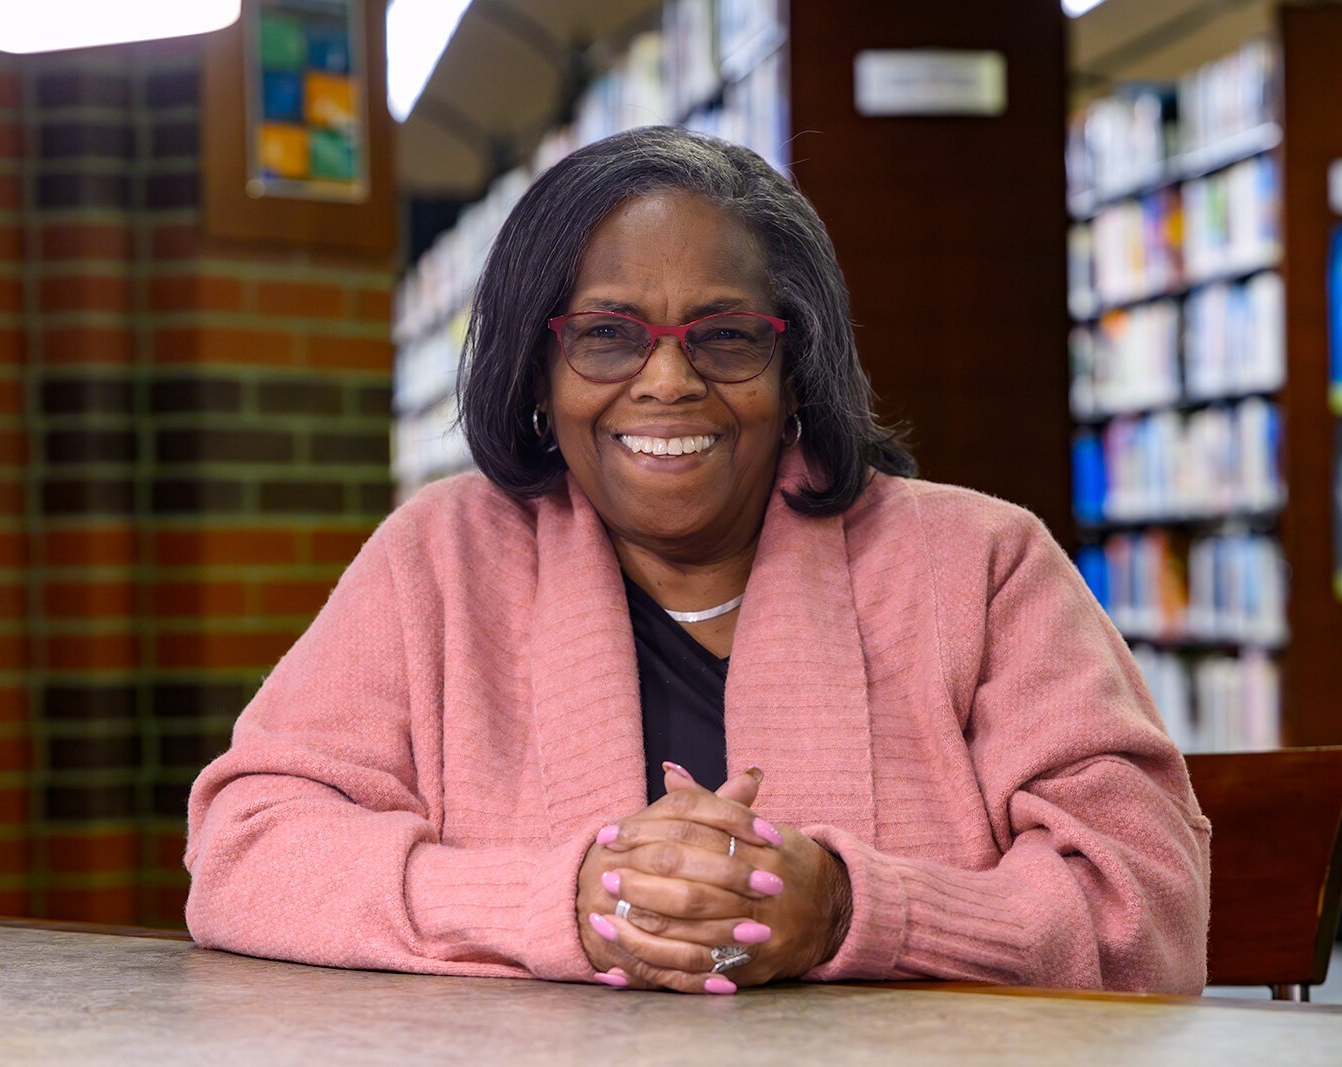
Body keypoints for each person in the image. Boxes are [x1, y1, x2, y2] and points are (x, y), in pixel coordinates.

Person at [185, 126, 1210, 995]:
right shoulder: (440, 559)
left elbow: (1146, 896)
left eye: (724, 337)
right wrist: (565, 902)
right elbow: (245, 850)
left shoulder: (981, 563)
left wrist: (857, 910)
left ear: (796, 363)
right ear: (537, 371)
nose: (667, 381)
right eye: (606, 335)